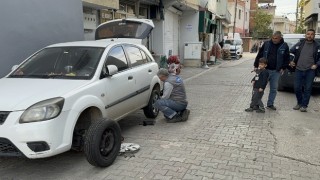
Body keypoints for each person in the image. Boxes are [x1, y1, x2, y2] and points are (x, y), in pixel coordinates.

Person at [254, 31, 290, 110]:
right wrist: (256, 65)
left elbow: (287, 58)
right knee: (260, 87)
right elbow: (259, 54)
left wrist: (283, 67)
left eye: (276, 38)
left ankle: (270, 104)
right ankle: (256, 103)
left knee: (273, 89)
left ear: (280, 38)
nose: (274, 40)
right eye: (273, 38)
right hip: (264, 71)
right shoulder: (266, 44)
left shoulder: (284, 46)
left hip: (276, 71)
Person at [289, 29, 320, 112]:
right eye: (308, 34)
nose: (309, 36)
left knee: (308, 88)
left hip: (310, 70)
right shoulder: (300, 43)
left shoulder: (317, 46)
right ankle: (299, 103)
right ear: (305, 35)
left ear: (314, 36)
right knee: (296, 88)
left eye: (311, 34)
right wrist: (291, 61)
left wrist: (316, 64)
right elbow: (291, 52)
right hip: (298, 69)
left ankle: (304, 105)